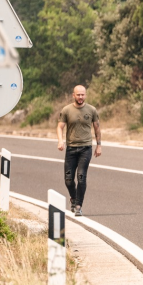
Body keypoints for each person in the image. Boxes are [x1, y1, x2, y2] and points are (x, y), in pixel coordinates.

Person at [57, 85, 101, 216]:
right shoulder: (66, 110)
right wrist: (60, 141)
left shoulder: (91, 110)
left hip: (85, 149)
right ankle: (73, 197)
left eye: (83, 95)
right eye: (78, 95)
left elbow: (97, 128)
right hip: (71, 149)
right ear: (73, 95)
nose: (80, 97)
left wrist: (99, 145)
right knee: (68, 179)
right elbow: (60, 127)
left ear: (85, 95)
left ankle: (78, 205)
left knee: (81, 177)